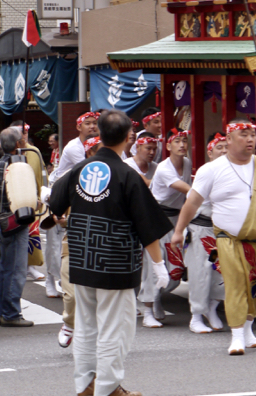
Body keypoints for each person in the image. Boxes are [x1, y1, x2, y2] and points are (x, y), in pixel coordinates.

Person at [48, 109, 174, 396]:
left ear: (98, 135)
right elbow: (147, 226)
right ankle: (107, 390)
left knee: (87, 327)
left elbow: (54, 203)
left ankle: (86, 386)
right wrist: (158, 266)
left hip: (82, 258)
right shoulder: (128, 175)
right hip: (115, 264)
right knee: (115, 330)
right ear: (129, 136)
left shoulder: (79, 169)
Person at [171, 119, 256, 355]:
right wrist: (179, 231)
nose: (250, 139)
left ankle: (248, 331)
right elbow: (193, 202)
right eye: (243, 134)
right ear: (228, 139)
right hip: (229, 240)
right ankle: (237, 335)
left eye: (253, 134)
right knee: (236, 286)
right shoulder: (212, 169)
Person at [139, 128, 191, 328]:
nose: (182, 145)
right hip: (156, 216)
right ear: (168, 146)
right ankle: (147, 310)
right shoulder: (163, 167)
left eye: (184, 141)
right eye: (177, 141)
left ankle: (157, 296)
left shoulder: (187, 163)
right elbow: (186, 189)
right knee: (154, 264)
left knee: (176, 269)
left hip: (177, 217)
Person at [0, 126, 35, 327]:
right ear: (17, 144)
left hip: (2, 220)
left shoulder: (0, 163)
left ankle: (1, 310)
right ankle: (10, 313)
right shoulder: (17, 164)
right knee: (16, 270)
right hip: (15, 221)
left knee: (5, 268)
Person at [181, 134, 227, 335]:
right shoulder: (206, 171)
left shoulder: (232, 170)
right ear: (210, 152)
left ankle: (212, 307)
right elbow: (192, 201)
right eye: (219, 147)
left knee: (223, 271)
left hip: (222, 230)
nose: (224, 151)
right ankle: (196, 316)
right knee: (201, 272)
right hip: (201, 229)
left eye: (227, 147)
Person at [51, 112, 100, 184]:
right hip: (64, 186)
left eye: (95, 123)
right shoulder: (73, 147)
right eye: (87, 123)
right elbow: (88, 170)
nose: (92, 126)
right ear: (79, 127)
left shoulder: (99, 143)